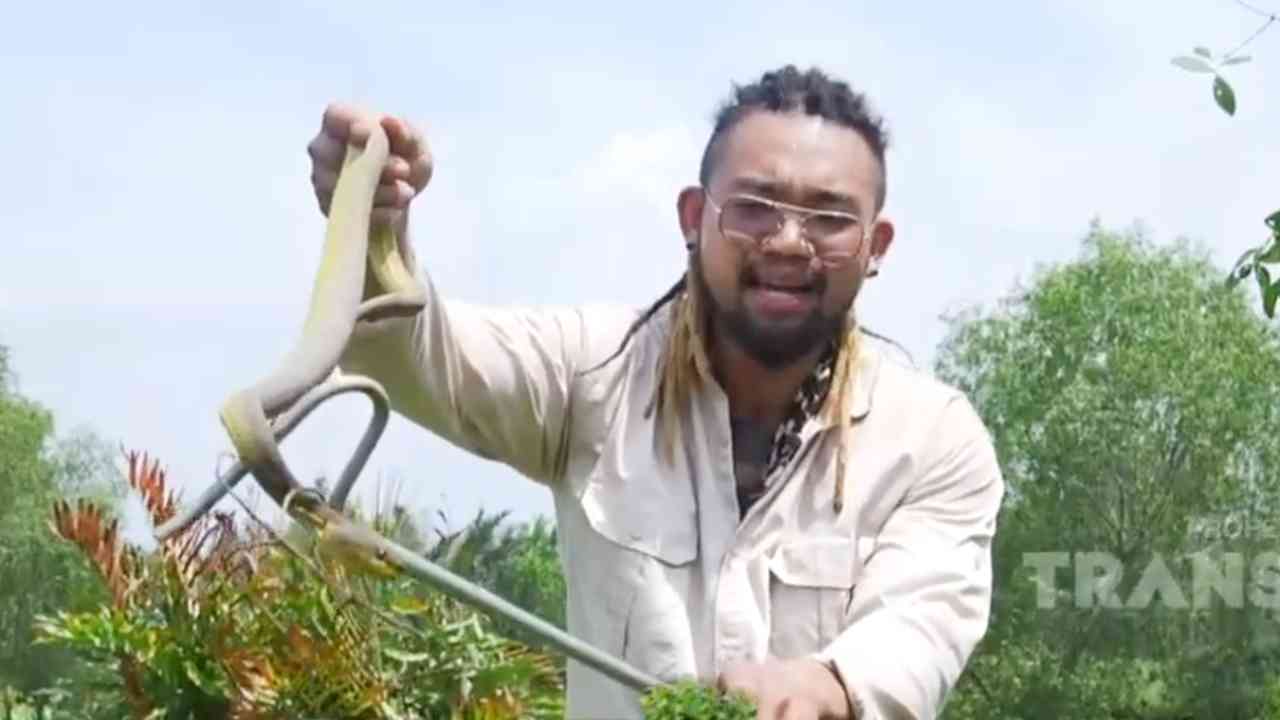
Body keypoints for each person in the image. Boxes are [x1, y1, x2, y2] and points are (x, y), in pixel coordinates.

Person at [311, 65, 1005, 720]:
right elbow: (408, 358)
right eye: (755, 208)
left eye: (829, 218)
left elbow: (926, 616)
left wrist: (831, 683)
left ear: (875, 245)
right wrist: (371, 225)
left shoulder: (932, 438)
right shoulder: (594, 372)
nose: (790, 243)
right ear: (693, 218)